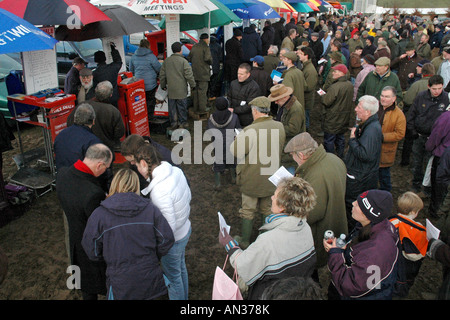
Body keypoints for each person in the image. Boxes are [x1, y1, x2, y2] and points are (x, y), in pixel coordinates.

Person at [81, 168, 174, 300]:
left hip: (120, 283)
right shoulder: (151, 210)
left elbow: (91, 249)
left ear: (115, 184)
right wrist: (152, 256)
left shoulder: (99, 215)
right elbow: (167, 239)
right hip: (151, 282)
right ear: (136, 186)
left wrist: (110, 258)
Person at [218, 177, 317, 300]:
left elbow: (243, 264)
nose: (271, 198)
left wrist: (229, 244)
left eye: (275, 196)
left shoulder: (268, 240)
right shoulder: (305, 227)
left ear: (282, 207)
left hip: (270, 294)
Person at [284, 132, 347, 280]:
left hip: (320, 232)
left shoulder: (315, 176)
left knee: (310, 269)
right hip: (337, 219)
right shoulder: (333, 159)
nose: (292, 158)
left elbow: (312, 214)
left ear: (302, 155)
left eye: (293, 155)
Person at [135, 144, 192, 300]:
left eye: (137, 165)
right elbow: (188, 196)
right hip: (186, 228)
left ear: (144, 164)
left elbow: (167, 228)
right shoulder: (176, 171)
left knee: (173, 279)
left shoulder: (159, 191)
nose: (138, 170)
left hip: (173, 241)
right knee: (180, 269)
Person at [56, 143, 113, 300]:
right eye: (106, 168)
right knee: (99, 284)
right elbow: (100, 226)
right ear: (99, 165)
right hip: (90, 249)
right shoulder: (93, 194)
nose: (106, 171)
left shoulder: (62, 174)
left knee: (85, 287)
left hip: (75, 241)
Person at [230, 96, 285, 248]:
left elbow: (235, 151)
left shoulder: (250, 130)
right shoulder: (279, 126)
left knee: (248, 209)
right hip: (271, 177)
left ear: (255, 111)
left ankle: (245, 240)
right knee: (267, 208)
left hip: (251, 177)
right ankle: (263, 239)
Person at [324, 189, 399, 300]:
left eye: (358, 205)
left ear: (367, 215)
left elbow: (350, 286)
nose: (353, 203)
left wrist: (335, 254)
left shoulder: (374, 254)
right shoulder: (380, 226)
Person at [344, 95, 383, 230]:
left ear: (367, 112)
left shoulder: (372, 130)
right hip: (359, 174)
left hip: (359, 178)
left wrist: (353, 139)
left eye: (358, 107)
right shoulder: (368, 125)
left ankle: (352, 231)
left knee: (352, 205)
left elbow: (366, 155)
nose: (355, 109)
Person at [406, 75, 449, 195]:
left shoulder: (446, 99)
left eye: (439, 88)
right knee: (417, 162)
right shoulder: (421, 96)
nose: (437, 91)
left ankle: (427, 189)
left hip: (435, 139)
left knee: (430, 165)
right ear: (429, 86)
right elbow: (412, 114)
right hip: (419, 136)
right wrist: (413, 131)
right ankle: (416, 184)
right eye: (434, 88)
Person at [67, 81, 125, 155]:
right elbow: (119, 132)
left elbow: (70, 122)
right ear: (111, 95)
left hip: (83, 148)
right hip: (105, 150)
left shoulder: (82, 106)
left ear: (95, 91)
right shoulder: (113, 111)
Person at [389, 191, 427, 298]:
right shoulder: (419, 230)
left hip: (389, 265)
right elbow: (416, 254)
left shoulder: (391, 221)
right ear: (414, 212)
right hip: (405, 270)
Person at [401, 62, 435, 166]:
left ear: (423, 73)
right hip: (431, 120)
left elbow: (407, 100)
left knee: (409, 140)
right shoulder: (436, 85)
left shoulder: (417, 84)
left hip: (416, 118)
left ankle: (405, 161)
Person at [268, 84, 305, 174]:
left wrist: (276, 128)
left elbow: (293, 129)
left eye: (277, 99)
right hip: (286, 144)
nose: (275, 102)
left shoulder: (295, 109)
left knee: (289, 168)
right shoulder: (284, 105)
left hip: (292, 146)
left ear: (284, 97)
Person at [206, 96, 241, 189]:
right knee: (232, 161)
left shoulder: (211, 118)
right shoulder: (234, 117)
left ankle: (218, 184)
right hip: (231, 144)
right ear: (227, 105)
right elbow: (238, 130)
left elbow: (209, 132)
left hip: (217, 144)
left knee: (218, 162)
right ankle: (233, 178)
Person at [159, 42, 196, 130]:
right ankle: (182, 123)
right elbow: (189, 75)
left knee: (172, 108)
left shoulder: (166, 61)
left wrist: (163, 85)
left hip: (171, 90)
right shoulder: (183, 61)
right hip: (181, 90)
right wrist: (193, 85)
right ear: (180, 50)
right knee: (182, 107)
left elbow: (162, 75)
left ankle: (174, 123)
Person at [54, 103, 101, 171]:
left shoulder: (60, 135)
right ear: (93, 121)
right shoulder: (92, 141)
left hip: (62, 178)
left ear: (75, 118)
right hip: (81, 179)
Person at [320, 64, 354, 159]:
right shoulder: (350, 85)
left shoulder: (334, 87)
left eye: (335, 71)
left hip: (332, 118)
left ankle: (330, 158)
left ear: (341, 73)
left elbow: (327, 102)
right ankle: (340, 156)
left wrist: (323, 95)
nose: (333, 73)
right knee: (340, 138)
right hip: (344, 117)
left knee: (329, 140)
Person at [377, 86, 406, 191]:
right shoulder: (375, 107)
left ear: (394, 98)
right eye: (382, 96)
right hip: (371, 149)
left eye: (387, 96)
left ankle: (386, 196)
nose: (383, 99)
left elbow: (400, 134)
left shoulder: (399, 115)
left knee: (384, 177)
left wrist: (382, 137)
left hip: (385, 152)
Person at [425, 108, 450, 218]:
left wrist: (429, 148)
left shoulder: (446, 117)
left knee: (439, 184)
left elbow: (436, 135)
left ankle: (436, 211)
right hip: (444, 153)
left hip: (443, 155)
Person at [129, 39, 161, 120]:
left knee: (140, 102)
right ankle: (150, 119)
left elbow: (131, 71)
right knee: (150, 102)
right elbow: (159, 69)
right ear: (148, 46)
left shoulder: (133, 57)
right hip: (150, 85)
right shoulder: (151, 57)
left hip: (138, 85)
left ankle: (142, 119)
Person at [227, 63, 260, 127]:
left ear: (248, 74)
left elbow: (250, 105)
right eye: (238, 73)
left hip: (246, 120)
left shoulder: (254, 87)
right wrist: (229, 107)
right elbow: (229, 97)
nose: (239, 76)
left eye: (241, 74)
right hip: (232, 118)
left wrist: (234, 110)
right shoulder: (233, 83)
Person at [188, 33, 213, 115]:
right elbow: (207, 58)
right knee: (202, 92)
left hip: (194, 73)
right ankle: (202, 110)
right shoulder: (206, 47)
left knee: (195, 91)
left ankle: (195, 109)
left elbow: (189, 58)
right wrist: (211, 62)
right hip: (203, 74)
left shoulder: (194, 46)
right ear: (206, 39)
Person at [93, 43, 122, 107]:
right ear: (105, 58)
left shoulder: (95, 73)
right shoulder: (113, 68)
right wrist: (113, 48)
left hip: (102, 100)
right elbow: (118, 61)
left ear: (95, 60)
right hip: (114, 97)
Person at [297, 46, 318, 131]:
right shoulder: (305, 66)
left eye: (301, 54)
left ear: (306, 56)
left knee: (306, 119)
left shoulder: (310, 70)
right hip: (304, 99)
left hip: (307, 99)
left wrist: (298, 84)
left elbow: (309, 86)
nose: (299, 55)